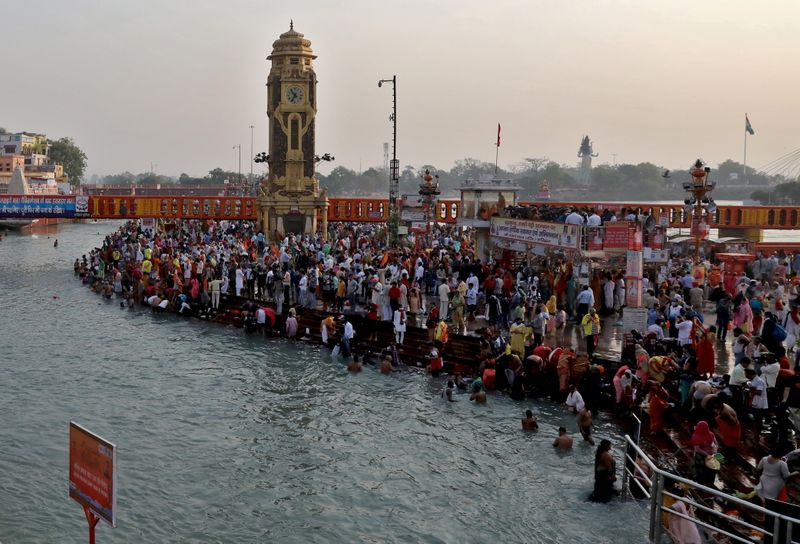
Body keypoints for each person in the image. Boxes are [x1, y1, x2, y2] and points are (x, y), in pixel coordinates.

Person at [690, 421, 718, 487]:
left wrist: (715, 451)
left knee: (712, 470)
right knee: (701, 470)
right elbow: (697, 449)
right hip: (701, 456)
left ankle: (710, 484)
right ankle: (701, 483)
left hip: (710, 455)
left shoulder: (710, 434)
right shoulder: (696, 436)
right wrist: (707, 454)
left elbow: (716, 443)